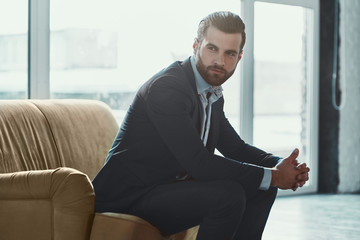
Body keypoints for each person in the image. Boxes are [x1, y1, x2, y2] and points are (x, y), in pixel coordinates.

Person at [93, 11, 310, 240]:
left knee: (261, 189)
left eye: (230, 53)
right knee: (229, 195)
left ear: (239, 57)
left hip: (165, 189)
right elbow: (199, 163)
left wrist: (281, 166)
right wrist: (274, 176)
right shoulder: (167, 89)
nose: (220, 61)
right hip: (129, 197)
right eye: (212, 48)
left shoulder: (211, 92)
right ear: (196, 45)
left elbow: (235, 148)